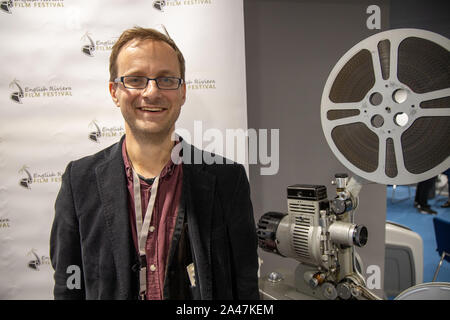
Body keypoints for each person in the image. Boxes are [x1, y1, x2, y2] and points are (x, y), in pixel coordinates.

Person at [50, 27, 259, 300]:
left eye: (166, 79)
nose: (151, 92)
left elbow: (245, 289)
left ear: (182, 92)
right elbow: (69, 287)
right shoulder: (79, 181)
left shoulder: (228, 181)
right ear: (114, 91)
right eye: (135, 80)